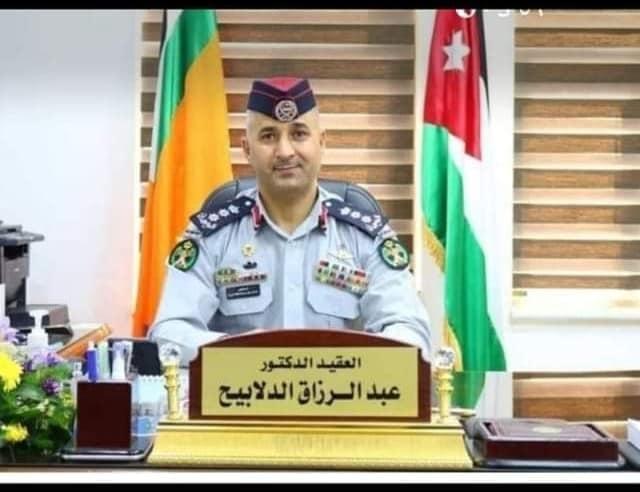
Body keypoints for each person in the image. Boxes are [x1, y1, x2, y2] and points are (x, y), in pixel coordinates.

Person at [149, 76, 431, 367]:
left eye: (298, 134)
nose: (285, 151)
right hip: (241, 393)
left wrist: (346, 361)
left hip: (343, 392)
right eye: (268, 136)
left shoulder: (366, 237)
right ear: (247, 149)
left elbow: (412, 334)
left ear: (321, 142)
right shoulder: (212, 237)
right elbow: (169, 333)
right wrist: (244, 354)